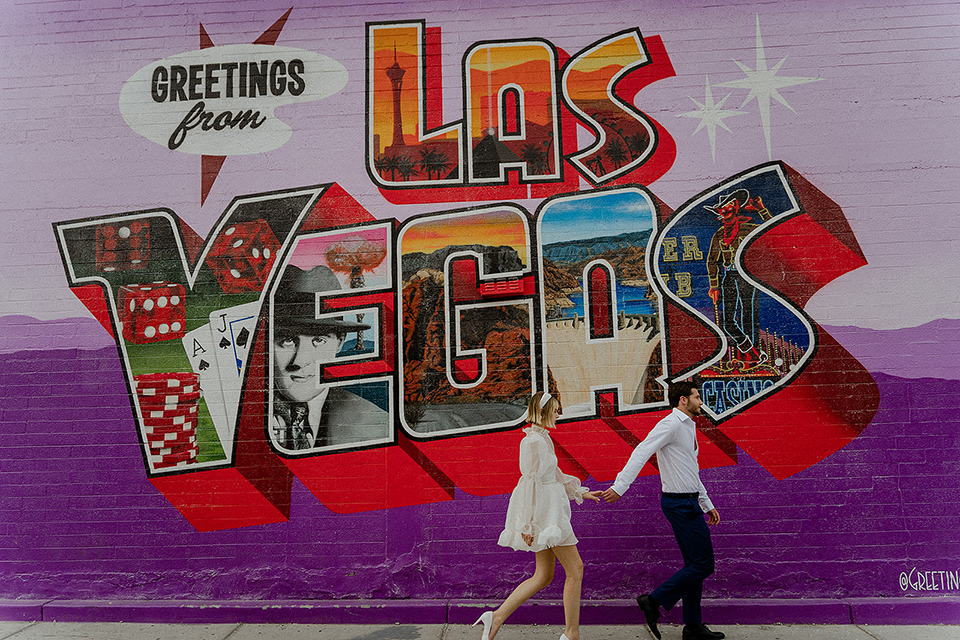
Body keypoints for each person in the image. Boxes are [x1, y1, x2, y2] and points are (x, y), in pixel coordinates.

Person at [600, 380, 725, 640]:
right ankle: (653, 601)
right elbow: (642, 450)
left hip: (689, 502)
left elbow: (691, 470)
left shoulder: (688, 427)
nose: (701, 402)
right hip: (679, 504)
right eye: (696, 397)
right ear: (683, 400)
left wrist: (706, 503)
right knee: (704, 564)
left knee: (694, 565)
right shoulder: (670, 425)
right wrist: (620, 486)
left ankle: (692, 627)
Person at [474, 392, 602, 640]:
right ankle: (571, 634)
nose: (558, 414)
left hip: (549, 510)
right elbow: (530, 484)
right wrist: (528, 525)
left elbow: (553, 474)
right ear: (542, 412)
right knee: (575, 569)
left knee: (543, 576)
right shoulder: (533, 441)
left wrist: (580, 492)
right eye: (555, 409)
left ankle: (496, 617)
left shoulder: (542, 438)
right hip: (545, 515)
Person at [270, 264, 389, 451]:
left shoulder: (376, 424)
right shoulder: (240, 417)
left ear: (340, 343)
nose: (300, 361)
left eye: (318, 340)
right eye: (287, 341)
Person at [704, 189, 771, 370]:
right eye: (722, 207)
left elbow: (772, 230)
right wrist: (714, 286)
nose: (726, 209)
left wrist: (761, 209)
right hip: (729, 277)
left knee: (748, 316)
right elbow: (712, 260)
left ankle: (752, 358)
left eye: (730, 205)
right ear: (719, 212)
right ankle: (754, 353)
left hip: (747, 276)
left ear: (736, 208)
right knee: (728, 322)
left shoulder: (748, 228)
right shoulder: (719, 235)